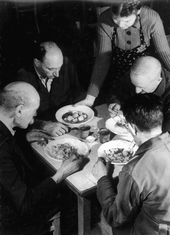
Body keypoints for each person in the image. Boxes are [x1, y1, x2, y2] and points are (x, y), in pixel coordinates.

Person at [0, 81, 83, 235]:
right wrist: (61, 174)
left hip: (13, 200)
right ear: (19, 111)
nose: (36, 115)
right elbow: (25, 204)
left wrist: (23, 140)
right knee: (73, 197)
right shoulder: (2, 150)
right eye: (34, 110)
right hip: (14, 222)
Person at [92, 93, 170, 235]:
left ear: (132, 128)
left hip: (154, 231)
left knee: (103, 219)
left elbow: (115, 217)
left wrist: (102, 178)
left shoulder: (134, 169)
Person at [75, 0, 170, 107]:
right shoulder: (104, 19)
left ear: (138, 11)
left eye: (127, 21)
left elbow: (164, 53)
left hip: (145, 77)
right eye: (115, 19)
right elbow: (103, 58)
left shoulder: (151, 18)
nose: (120, 25)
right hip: (120, 77)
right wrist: (90, 98)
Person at [16, 41, 85, 136]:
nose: (57, 74)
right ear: (37, 63)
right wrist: (43, 125)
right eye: (50, 69)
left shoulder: (66, 64)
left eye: (59, 68)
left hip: (69, 126)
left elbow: (79, 94)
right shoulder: (23, 79)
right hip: (40, 131)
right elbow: (19, 117)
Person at [105, 56, 170, 133]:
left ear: (158, 80)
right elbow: (115, 91)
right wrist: (115, 102)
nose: (137, 91)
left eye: (141, 87)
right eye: (134, 85)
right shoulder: (135, 76)